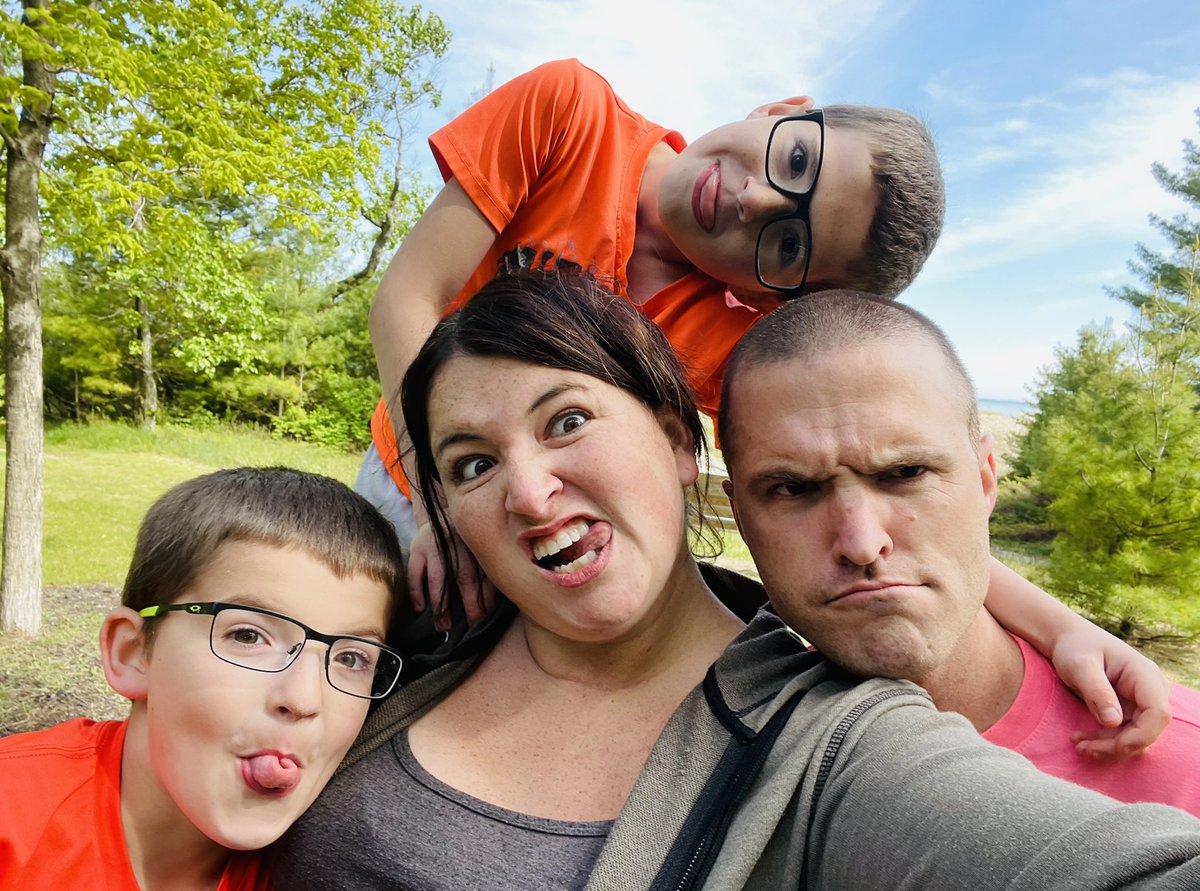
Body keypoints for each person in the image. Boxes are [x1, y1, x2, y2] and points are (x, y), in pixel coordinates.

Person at [274, 272, 1200, 891]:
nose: (526, 490)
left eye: (565, 423)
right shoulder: (400, 643)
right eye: (471, 464)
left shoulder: (832, 743)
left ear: (682, 440)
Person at [357, 59, 1171, 759]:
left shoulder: (719, 343)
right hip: (417, 479)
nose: (753, 202)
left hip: (557, 538)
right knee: (341, 656)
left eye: (787, 245)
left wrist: (1060, 627)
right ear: (783, 111)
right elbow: (409, 298)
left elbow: (845, 485)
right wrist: (440, 501)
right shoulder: (570, 113)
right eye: (794, 160)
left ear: (772, 296)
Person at [717, 289, 1200, 815]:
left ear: (986, 479)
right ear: (740, 515)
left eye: (906, 473)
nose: (861, 543)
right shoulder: (708, 767)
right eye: (792, 488)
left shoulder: (1184, 764)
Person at [0, 468, 407, 891]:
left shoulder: (332, 868)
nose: (304, 698)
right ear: (132, 653)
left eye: (352, 658)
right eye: (248, 636)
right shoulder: (12, 814)